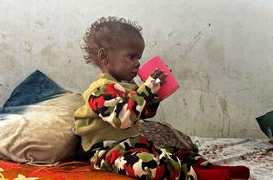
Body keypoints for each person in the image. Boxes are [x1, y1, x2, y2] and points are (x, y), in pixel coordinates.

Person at [74, 16, 250, 180]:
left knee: (176, 152)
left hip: (132, 144)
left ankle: (207, 167)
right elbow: (122, 119)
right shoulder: (99, 90)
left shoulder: (130, 86)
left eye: (139, 58)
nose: (137, 63)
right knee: (147, 165)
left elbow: (142, 113)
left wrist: (155, 96)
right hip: (105, 152)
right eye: (131, 56)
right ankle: (199, 175)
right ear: (104, 56)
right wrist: (146, 91)